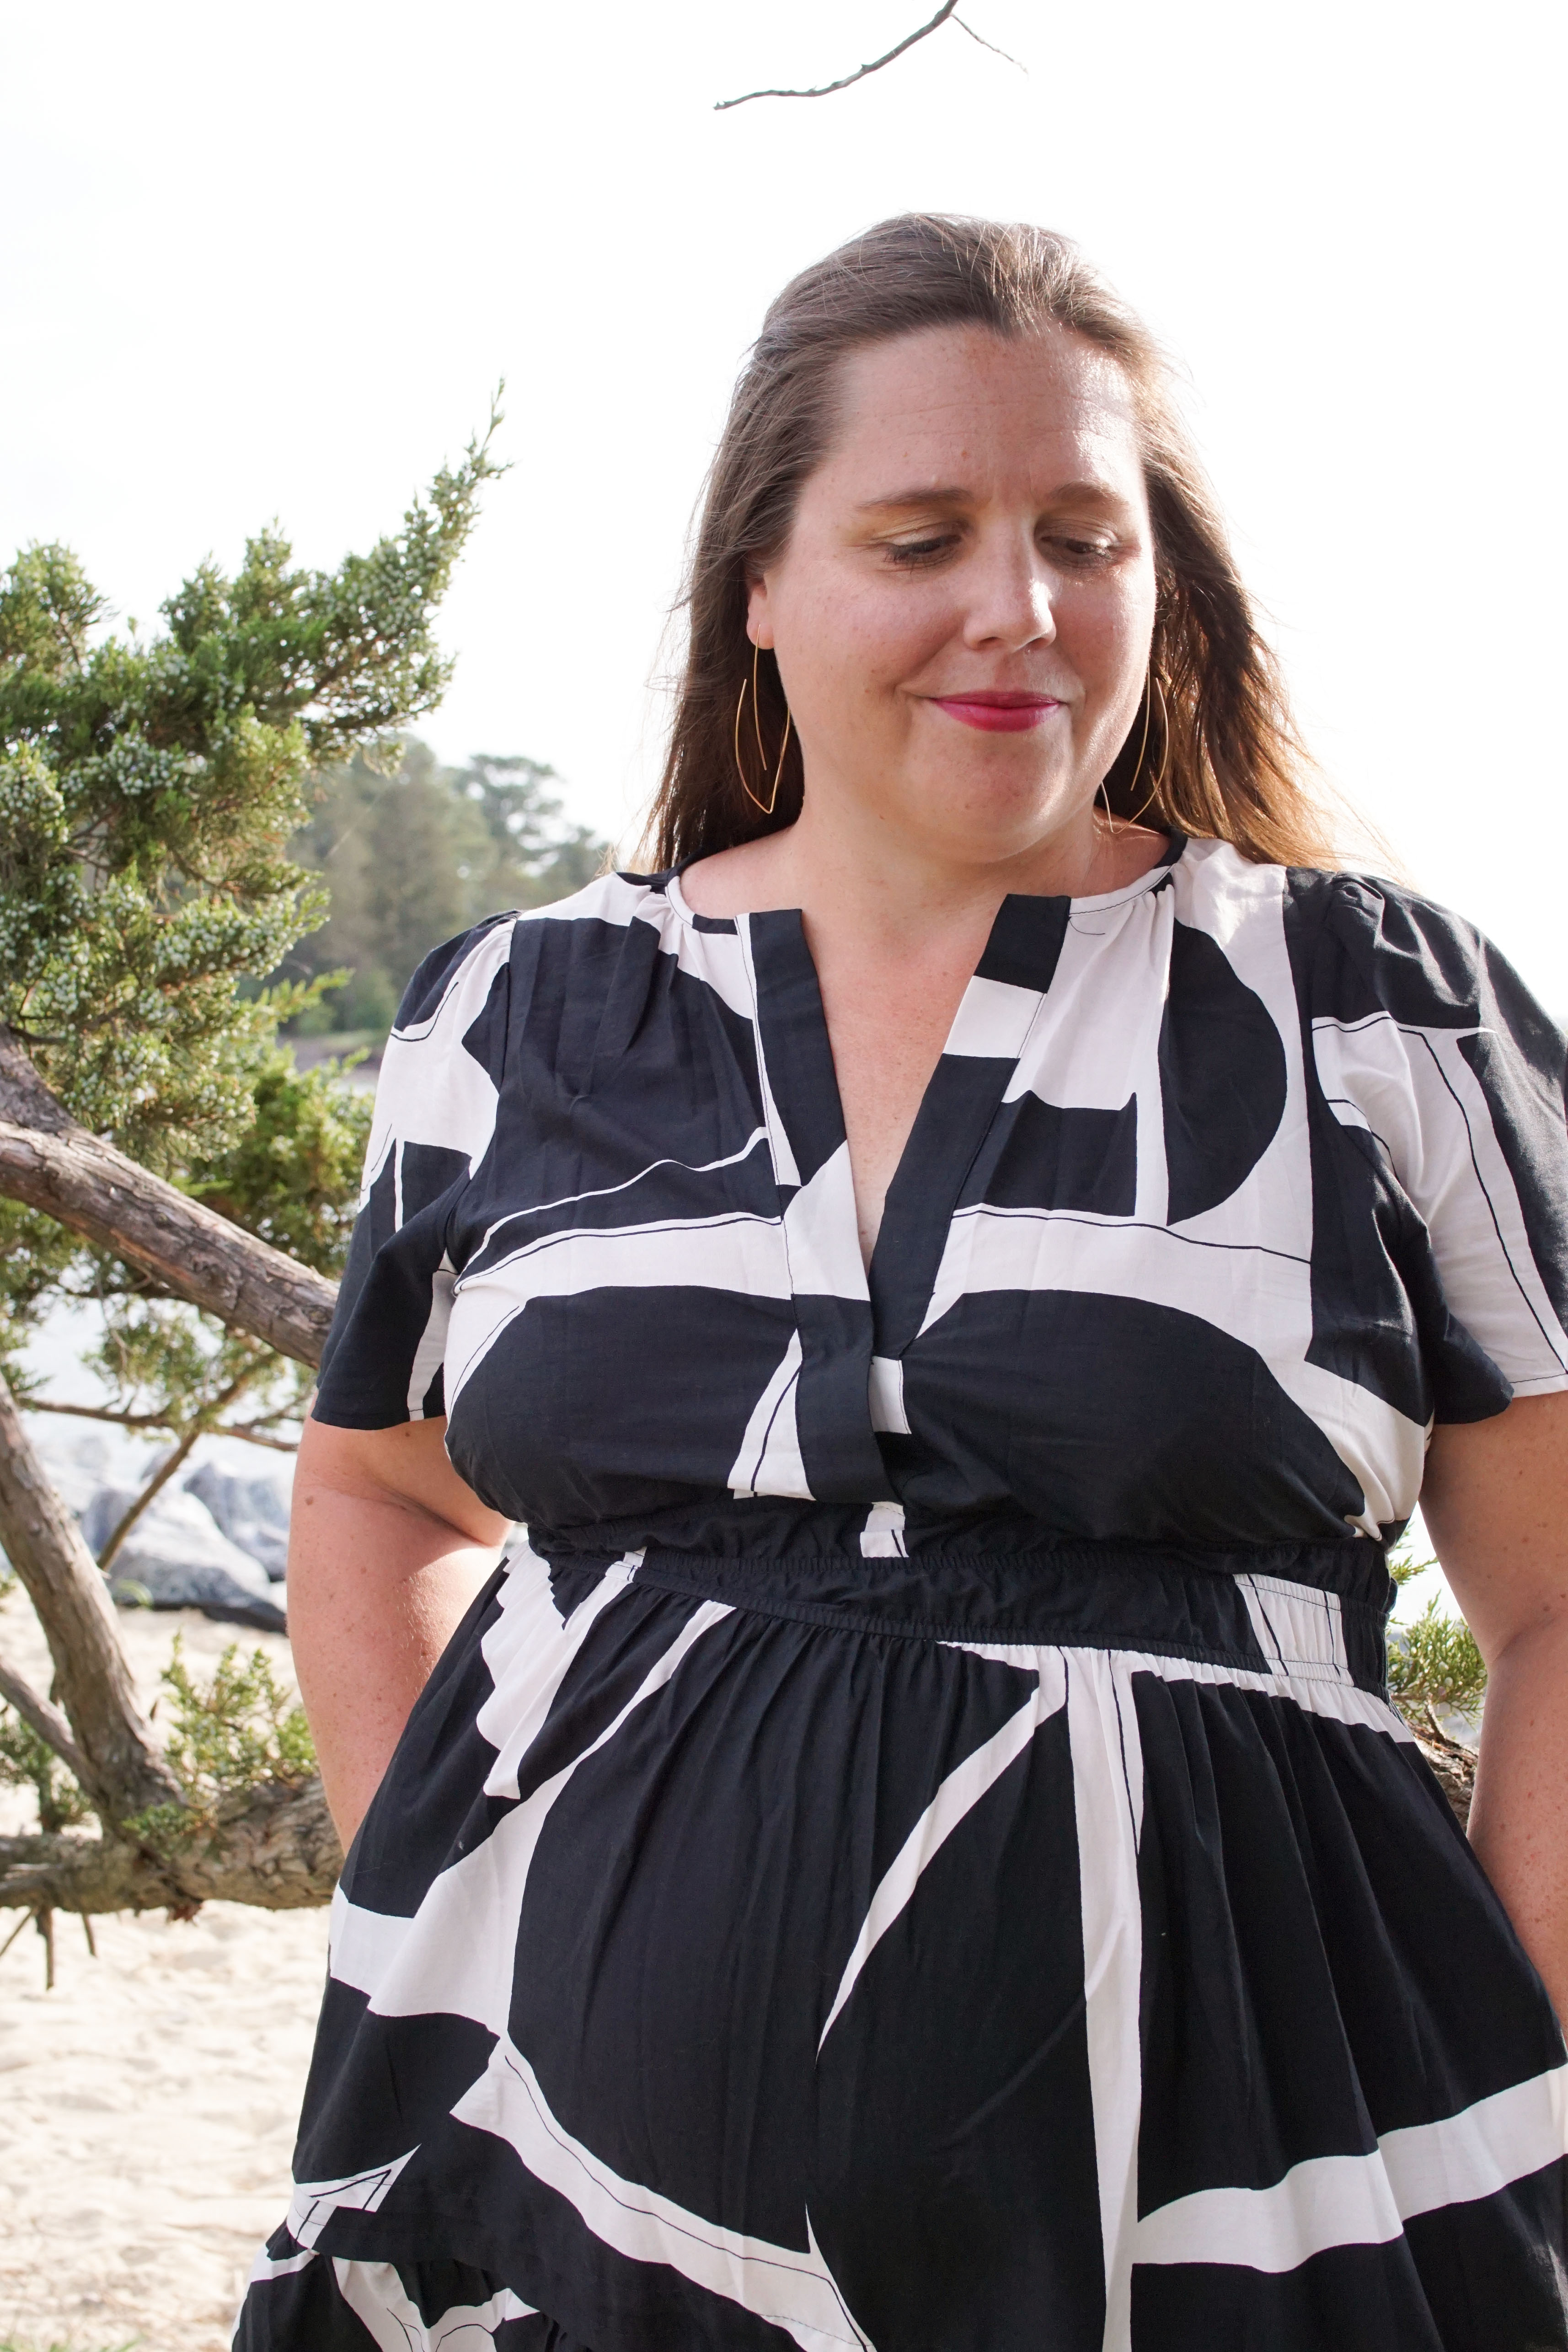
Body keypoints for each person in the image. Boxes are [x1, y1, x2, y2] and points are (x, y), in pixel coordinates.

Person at [236, 216, 1568, 2352]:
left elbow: (1565, 1594)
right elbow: (381, 1488)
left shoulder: (1376, 1014)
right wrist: (448, 1913)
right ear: (760, 585)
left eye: (1081, 534)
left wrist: (1502, 2041)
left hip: (1265, 2210)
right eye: (923, 532)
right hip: (555, 2199)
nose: (1017, 610)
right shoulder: (517, 1016)